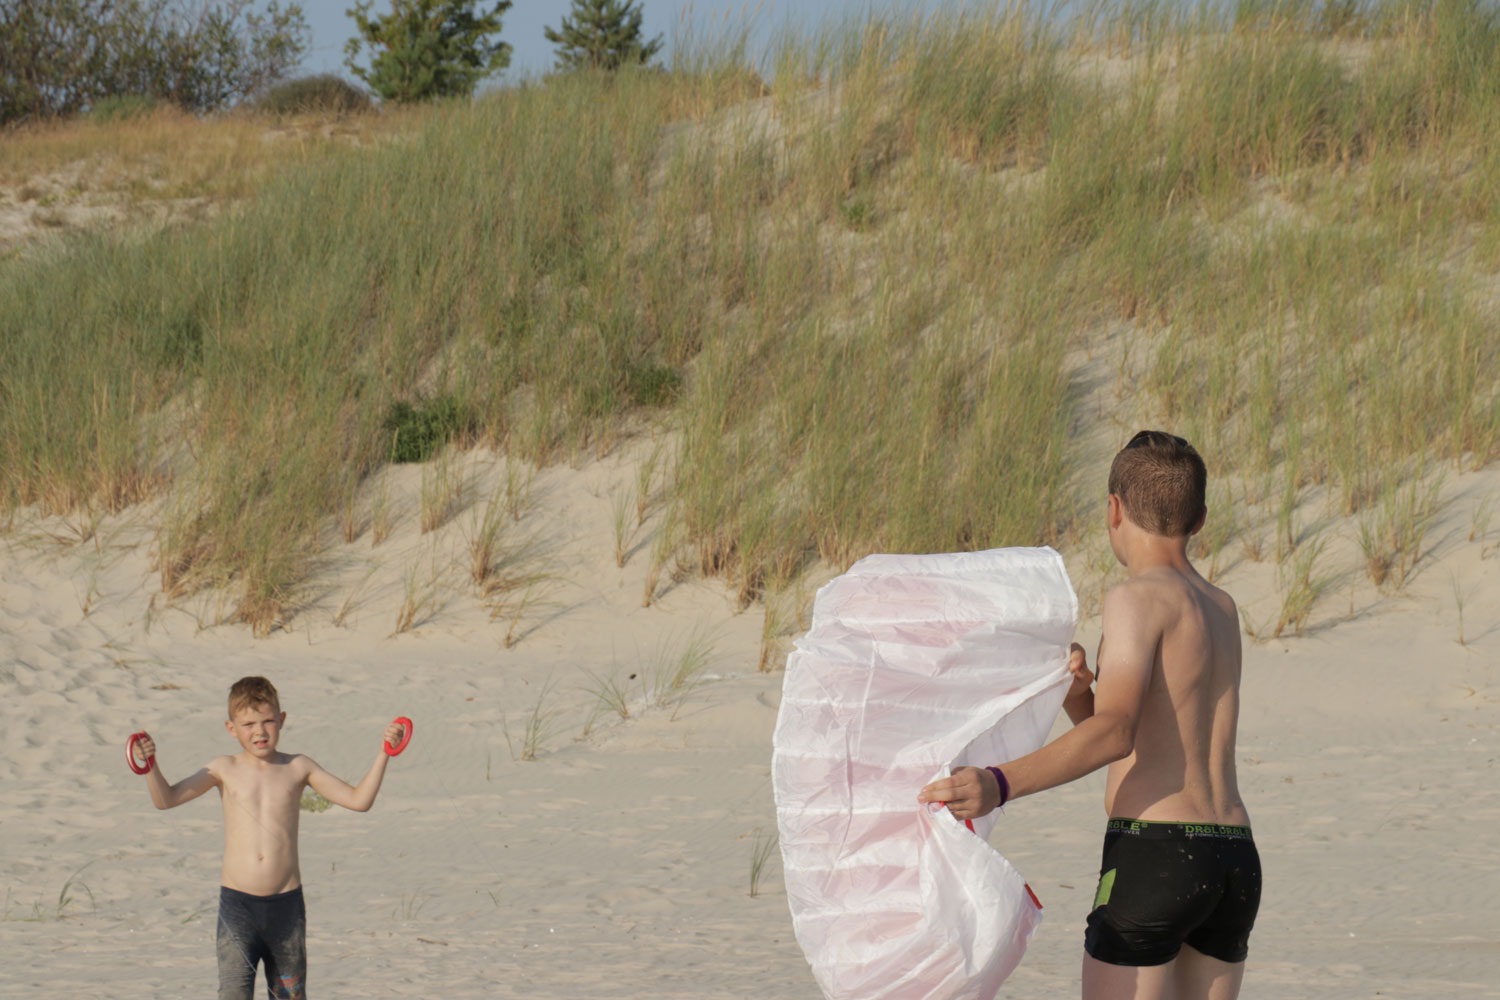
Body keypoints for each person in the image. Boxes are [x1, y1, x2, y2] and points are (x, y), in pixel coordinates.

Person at [919, 430, 1260, 1000]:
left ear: (1113, 510)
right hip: (1233, 856)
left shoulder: (1135, 598)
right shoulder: (1221, 608)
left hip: (1157, 850)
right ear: (1200, 519)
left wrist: (998, 783)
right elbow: (1148, 737)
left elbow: (1115, 733)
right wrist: (1081, 696)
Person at [135, 676, 405, 1000]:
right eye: (248, 724)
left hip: (286, 907)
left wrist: (384, 753)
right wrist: (149, 765)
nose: (259, 731)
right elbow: (166, 799)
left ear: (282, 719)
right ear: (231, 728)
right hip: (237, 906)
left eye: (267, 721)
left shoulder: (298, 767)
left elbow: (359, 801)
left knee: (290, 995)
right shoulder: (223, 768)